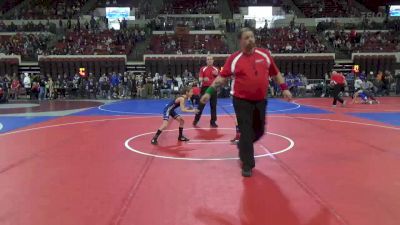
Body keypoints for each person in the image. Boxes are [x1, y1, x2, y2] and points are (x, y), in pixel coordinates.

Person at [200, 27, 292, 177]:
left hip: (260, 100)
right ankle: (247, 164)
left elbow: (275, 73)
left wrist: (284, 88)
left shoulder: (265, 55)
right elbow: (222, 78)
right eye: (247, 37)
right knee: (246, 131)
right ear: (240, 41)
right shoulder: (234, 58)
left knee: (259, 130)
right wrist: (209, 92)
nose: (251, 40)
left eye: (252, 37)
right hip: (241, 101)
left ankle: (243, 144)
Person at [193, 56, 219, 128]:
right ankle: (196, 120)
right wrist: (204, 79)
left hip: (213, 88)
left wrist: (217, 75)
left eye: (211, 59)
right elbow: (200, 79)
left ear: (213, 61)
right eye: (208, 59)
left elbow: (219, 80)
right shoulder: (203, 69)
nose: (209, 61)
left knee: (213, 106)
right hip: (205, 89)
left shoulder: (216, 69)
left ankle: (213, 122)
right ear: (206, 61)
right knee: (201, 105)